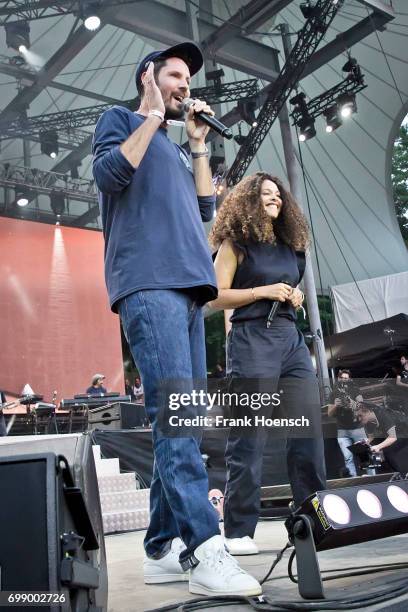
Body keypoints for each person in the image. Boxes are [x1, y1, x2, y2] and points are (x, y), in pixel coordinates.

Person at [92, 42, 260, 596]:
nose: (186, 84)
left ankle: (161, 547)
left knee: (181, 420)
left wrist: (196, 146)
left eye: (188, 77)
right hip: (149, 282)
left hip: (190, 290)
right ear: (149, 76)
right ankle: (205, 548)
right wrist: (153, 114)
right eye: (175, 74)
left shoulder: (175, 146)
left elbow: (205, 213)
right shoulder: (121, 121)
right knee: (177, 421)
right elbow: (110, 174)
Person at [208, 172, 326, 556]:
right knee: (249, 436)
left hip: (290, 339)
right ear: (248, 201)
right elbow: (213, 297)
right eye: (265, 194)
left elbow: (291, 287)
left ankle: (315, 518)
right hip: (251, 338)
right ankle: (238, 530)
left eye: (278, 195)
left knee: (307, 429)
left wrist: (293, 296)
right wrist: (263, 291)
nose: (274, 199)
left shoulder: (293, 248)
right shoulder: (236, 243)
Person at [327, 369, 366, 477]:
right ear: (339, 379)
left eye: (346, 378)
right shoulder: (333, 393)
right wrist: (335, 405)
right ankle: (352, 479)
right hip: (342, 430)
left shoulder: (355, 390)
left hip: (357, 428)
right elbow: (329, 413)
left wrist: (353, 404)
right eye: (342, 378)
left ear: (349, 379)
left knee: (364, 455)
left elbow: (362, 405)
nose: (344, 380)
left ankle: (371, 478)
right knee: (347, 457)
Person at [357, 402, 408, 473]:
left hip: (403, 432)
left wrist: (378, 447)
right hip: (391, 435)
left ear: (368, 412)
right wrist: (364, 442)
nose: (359, 419)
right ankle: (379, 474)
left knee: (386, 450)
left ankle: (400, 473)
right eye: (357, 416)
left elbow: (393, 438)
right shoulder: (367, 422)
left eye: (360, 416)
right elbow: (371, 438)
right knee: (372, 449)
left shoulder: (383, 414)